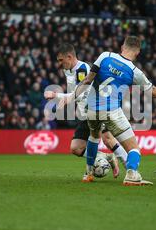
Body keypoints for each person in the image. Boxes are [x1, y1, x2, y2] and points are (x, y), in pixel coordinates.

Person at [68, 36, 156, 185]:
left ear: (122, 47)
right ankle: (131, 174)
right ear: (137, 52)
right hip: (112, 112)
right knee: (134, 148)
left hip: (91, 110)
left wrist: (71, 97)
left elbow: (87, 80)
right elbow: (155, 92)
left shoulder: (105, 56)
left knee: (93, 137)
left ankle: (89, 173)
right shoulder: (134, 71)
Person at [44, 43, 128, 178]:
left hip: (96, 109)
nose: (59, 63)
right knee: (76, 148)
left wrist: (66, 98)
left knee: (107, 139)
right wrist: (56, 96)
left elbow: (84, 92)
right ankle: (106, 157)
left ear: (69, 57)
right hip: (84, 114)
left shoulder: (82, 69)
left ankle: (131, 170)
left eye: (61, 60)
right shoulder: (68, 71)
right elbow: (74, 94)